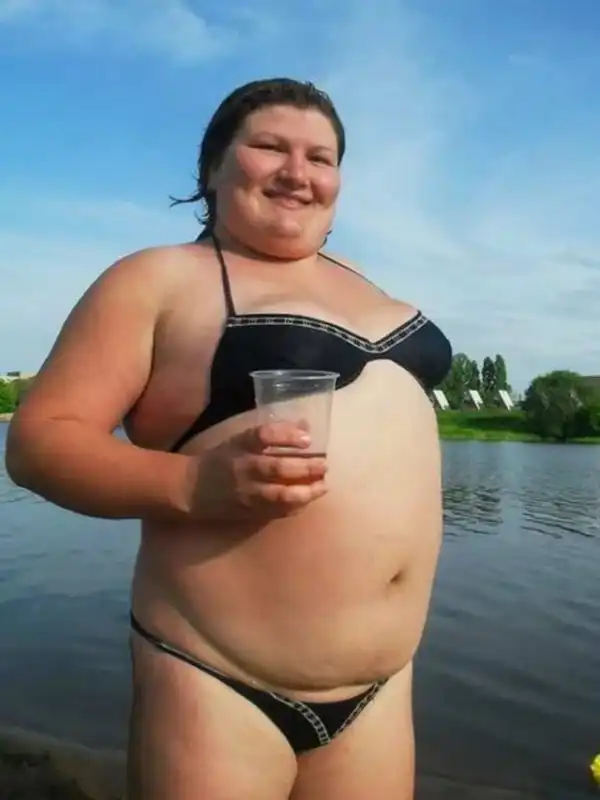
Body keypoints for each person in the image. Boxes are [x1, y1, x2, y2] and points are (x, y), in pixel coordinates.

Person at [5, 77, 452, 799]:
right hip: (217, 678)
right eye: (270, 147)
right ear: (213, 166)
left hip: (382, 685)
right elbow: (38, 443)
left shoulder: (359, 278)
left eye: (320, 157)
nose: (298, 173)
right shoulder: (157, 279)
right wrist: (190, 483)